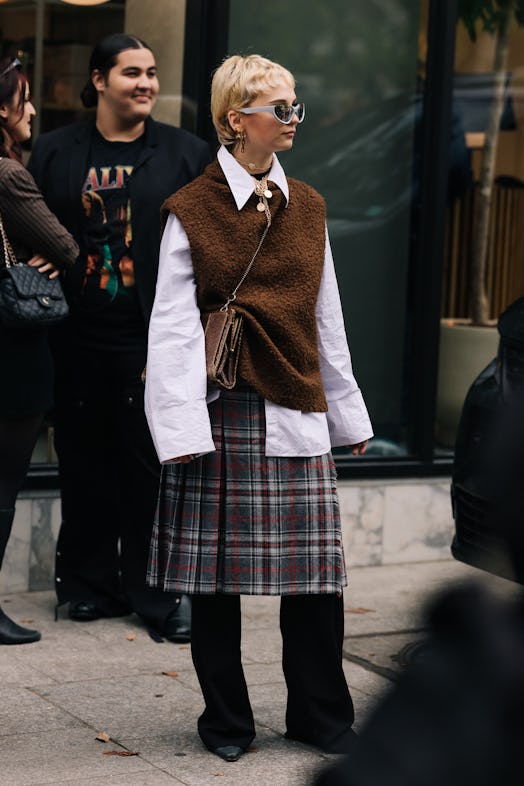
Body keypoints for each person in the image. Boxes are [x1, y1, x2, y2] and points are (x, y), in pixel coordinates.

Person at [144, 54, 373, 762]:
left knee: (316, 585)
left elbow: (324, 316)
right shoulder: (191, 209)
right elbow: (174, 328)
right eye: (282, 108)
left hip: (297, 408)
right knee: (214, 587)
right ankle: (226, 724)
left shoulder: (310, 205)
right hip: (222, 414)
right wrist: (178, 428)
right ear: (236, 118)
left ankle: (321, 719)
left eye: (296, 106)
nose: (294, 119)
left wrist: (347, 415)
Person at [27, 34, 212, 641]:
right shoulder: (54, 152)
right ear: (99, 80)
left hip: (149, 338)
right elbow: (26, 224)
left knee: (148, 467)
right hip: (74, 334)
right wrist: (43, 257)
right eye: (131, 72)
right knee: (83, 462)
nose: (146, 84)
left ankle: (158, 596)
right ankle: (87, 586)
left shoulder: (185, 154)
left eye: (152, 73)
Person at [0, 56, 79, 644]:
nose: (31, 110)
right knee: (3, 484)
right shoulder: (7, 174)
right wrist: (46, 256)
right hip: (12, 352)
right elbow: (66, 246)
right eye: (22, 99)